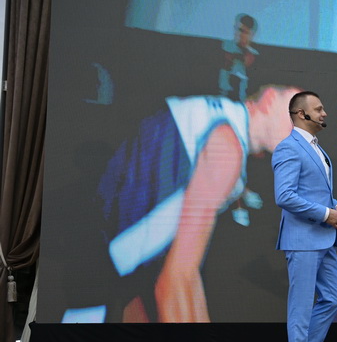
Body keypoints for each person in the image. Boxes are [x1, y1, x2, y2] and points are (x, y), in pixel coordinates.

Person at [98, 85, 300, 322]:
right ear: (269, 100)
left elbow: (183, 272)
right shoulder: (226, 146)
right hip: (94, 264)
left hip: (103, 262)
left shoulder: (217, 122)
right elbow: (173, 281)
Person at [272, 91, 337, 342]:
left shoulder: (316, 148)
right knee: (301, 310)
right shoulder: (288, 147)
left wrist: (335, 205)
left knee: (332, 298)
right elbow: (284, 196)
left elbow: (315, 192)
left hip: (323, 237)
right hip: (303, 240)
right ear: (301, 114)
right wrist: (325, 214)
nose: (324, 113)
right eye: (318, 109)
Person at [220, 13, 259, 102]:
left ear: (251, 35)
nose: (240, 34)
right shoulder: (226, 46)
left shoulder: (253, 54)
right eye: (239, 30)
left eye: (245, 32)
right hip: (224, 94)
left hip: (243, 97)